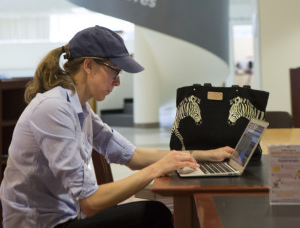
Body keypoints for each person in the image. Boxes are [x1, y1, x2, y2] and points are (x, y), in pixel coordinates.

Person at [0, 26, 233, 228]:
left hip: (67, 218)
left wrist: (203, 156)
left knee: (160, 211)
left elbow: (132, 156)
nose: (118, 82)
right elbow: (90, 203)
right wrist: (156, 169)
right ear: (89, 65)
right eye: (115, 71)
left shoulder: (78, 107)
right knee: (155, 214)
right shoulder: (54, 108)